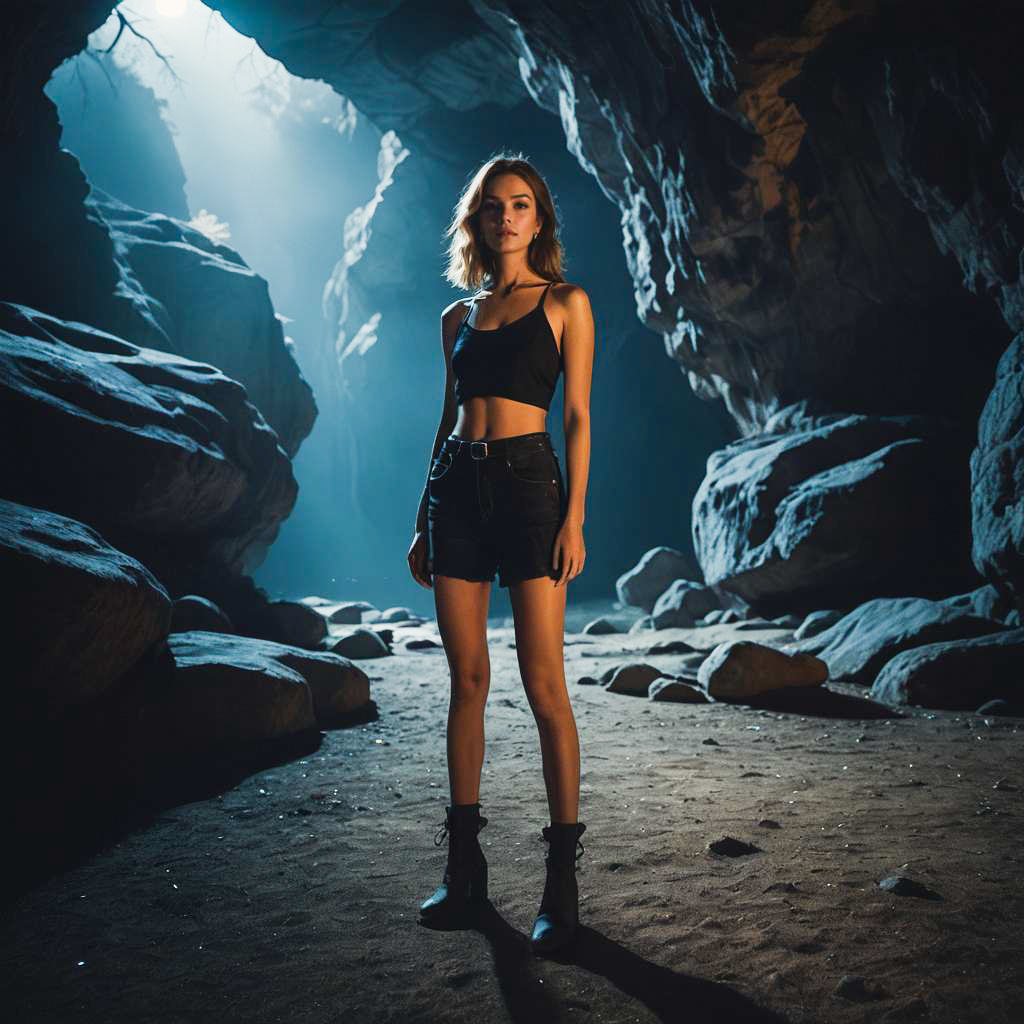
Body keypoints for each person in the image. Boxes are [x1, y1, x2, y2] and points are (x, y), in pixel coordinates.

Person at [406, 154, 594, 955]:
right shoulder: (456, 317)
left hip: (528, 489)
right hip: (456, 489)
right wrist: (422, 516)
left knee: (544, 683)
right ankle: (465, 869)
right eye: (493, 207)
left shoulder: (566, 303)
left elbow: (579, 416)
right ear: (477, 221)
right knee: (468, 679)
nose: (507, 217)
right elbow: (446, 418)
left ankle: (562, 883)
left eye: (521, 205)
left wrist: (574, 518)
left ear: (539, 219)